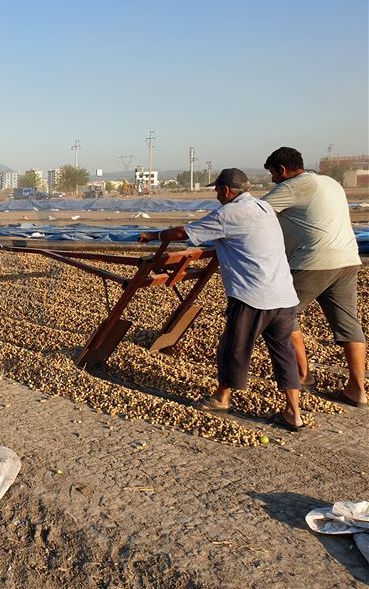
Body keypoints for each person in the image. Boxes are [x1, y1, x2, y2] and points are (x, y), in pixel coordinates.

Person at [139, 168, 305, 430]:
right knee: (283, 353)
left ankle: (221, 398)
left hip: (253, 296)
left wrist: (153, 236)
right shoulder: (264, 208)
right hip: (284, 295)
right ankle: (293, 413)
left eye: (217, 191)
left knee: (233, 349)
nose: (217, 195)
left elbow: (184, 233)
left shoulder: (229, 213)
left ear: (227, 191)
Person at [261, 146, 366, 408]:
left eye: (273, 175)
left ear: (283, 170)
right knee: (348, 324)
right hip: (348, 260)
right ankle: (357, 390)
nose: (273, 181)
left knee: (281, 313)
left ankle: (304, 376)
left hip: (314, 262)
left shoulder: (293, 186)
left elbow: (255, 214)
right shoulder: (330, 182)